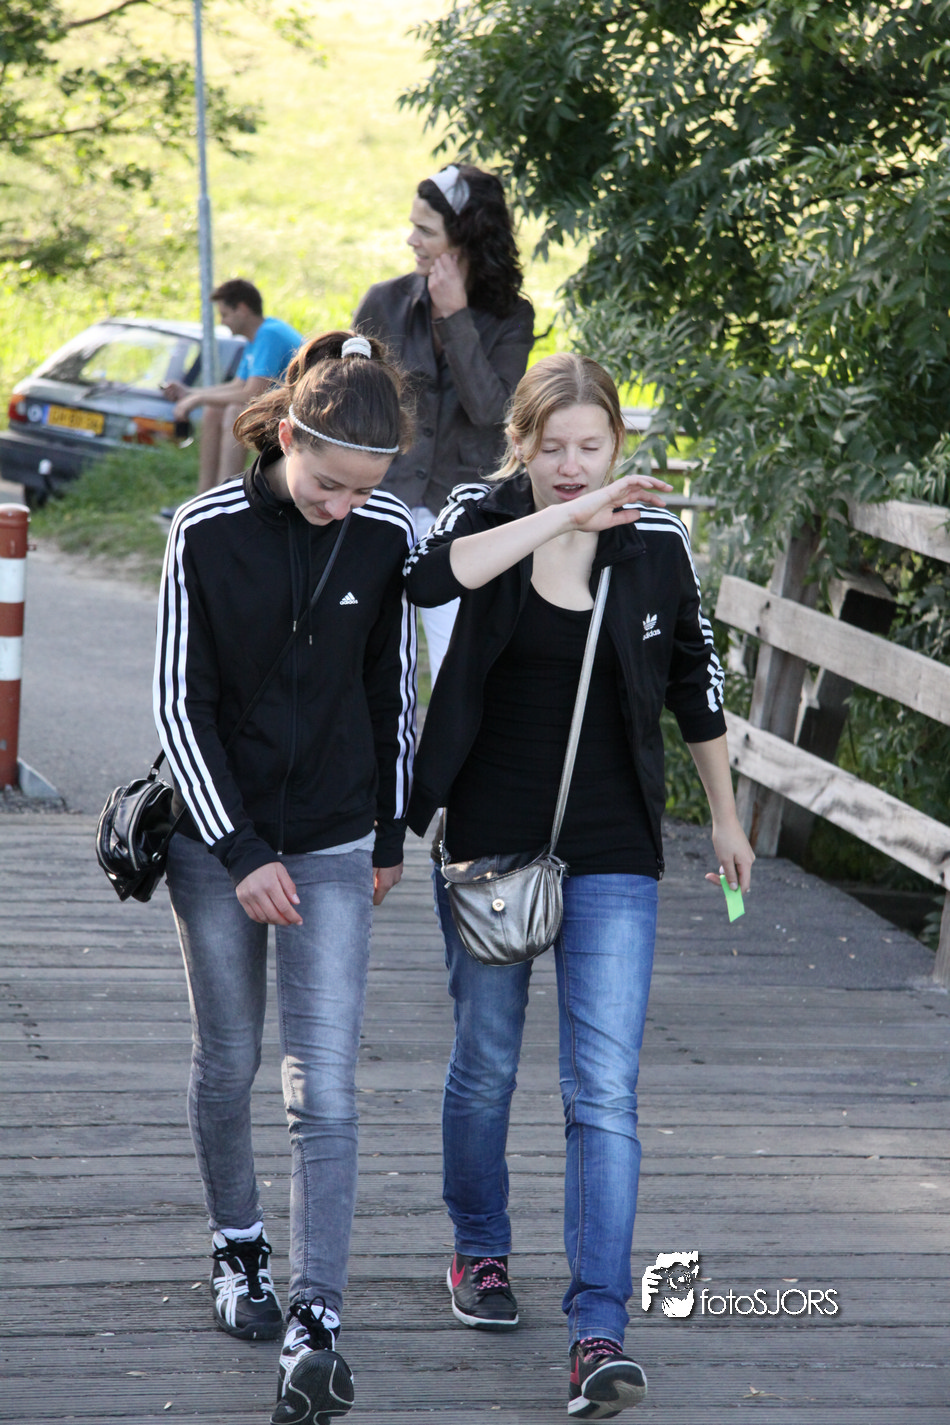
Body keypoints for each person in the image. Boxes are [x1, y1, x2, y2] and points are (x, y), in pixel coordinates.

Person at [403, 353, 754, 1418]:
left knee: (602, 1091)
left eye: (590, 447)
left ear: (617, 445)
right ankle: (479, 1250)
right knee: (485, 1065)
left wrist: (727, 816)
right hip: (490, 840)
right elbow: (430, 580)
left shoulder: (656, 542)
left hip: (613, 843)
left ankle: (598, 1328)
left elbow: (693, 678)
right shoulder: (485, 515)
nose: (571, 463)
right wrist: (559, 517)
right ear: (519, 443)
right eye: (550, 446)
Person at [153, 330, 417, 1425]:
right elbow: (180, 706)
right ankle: (238, 1247)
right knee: (229, 1058)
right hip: (217, 841)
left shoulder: (386, 534)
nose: (343, 507)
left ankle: (316, 1315)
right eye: (327, 484)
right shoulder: (203, 530)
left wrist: (389, 833)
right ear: (289, 439)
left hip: (336, 837)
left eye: (365, 491)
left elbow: (393, 691)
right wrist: (240, 850)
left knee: (327, 1086)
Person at [354, 164, 534, 682]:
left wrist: (455, 316)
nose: (411, 239)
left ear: (466, 237)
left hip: (459, 515)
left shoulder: (512, 317)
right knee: (364, 654)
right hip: (378, 501)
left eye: (425, 230)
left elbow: (492, 413)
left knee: (457, 662)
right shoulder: (384, 301)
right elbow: (353, 404)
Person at [164, 278, 302, 497]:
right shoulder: (255, 337)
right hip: (282, 407)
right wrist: (190, 393)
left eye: (225, 314)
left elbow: (251, 394)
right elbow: (238, 385)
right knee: (214, 410)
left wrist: (196, 399)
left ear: (243, 309)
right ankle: (205, 495)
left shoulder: (269, 334)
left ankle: (226, 495)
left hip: (300, 412)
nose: (223, 321)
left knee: (235, 411)